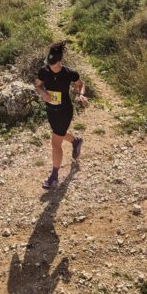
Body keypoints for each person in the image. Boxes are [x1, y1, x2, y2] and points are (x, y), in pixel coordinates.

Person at [34, 41, 87, 189]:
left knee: (55, 143)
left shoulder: (69, 73)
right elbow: (38, 85)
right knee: (60, 133)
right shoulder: (44, 71)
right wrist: (43, 93)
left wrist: (81, 94)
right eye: (49, 64)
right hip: (51, 110)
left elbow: (80, 84)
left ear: (60, 61)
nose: (51, 67)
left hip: (65, 111)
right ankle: (76, 141)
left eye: (54, 65)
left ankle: (54, 176)